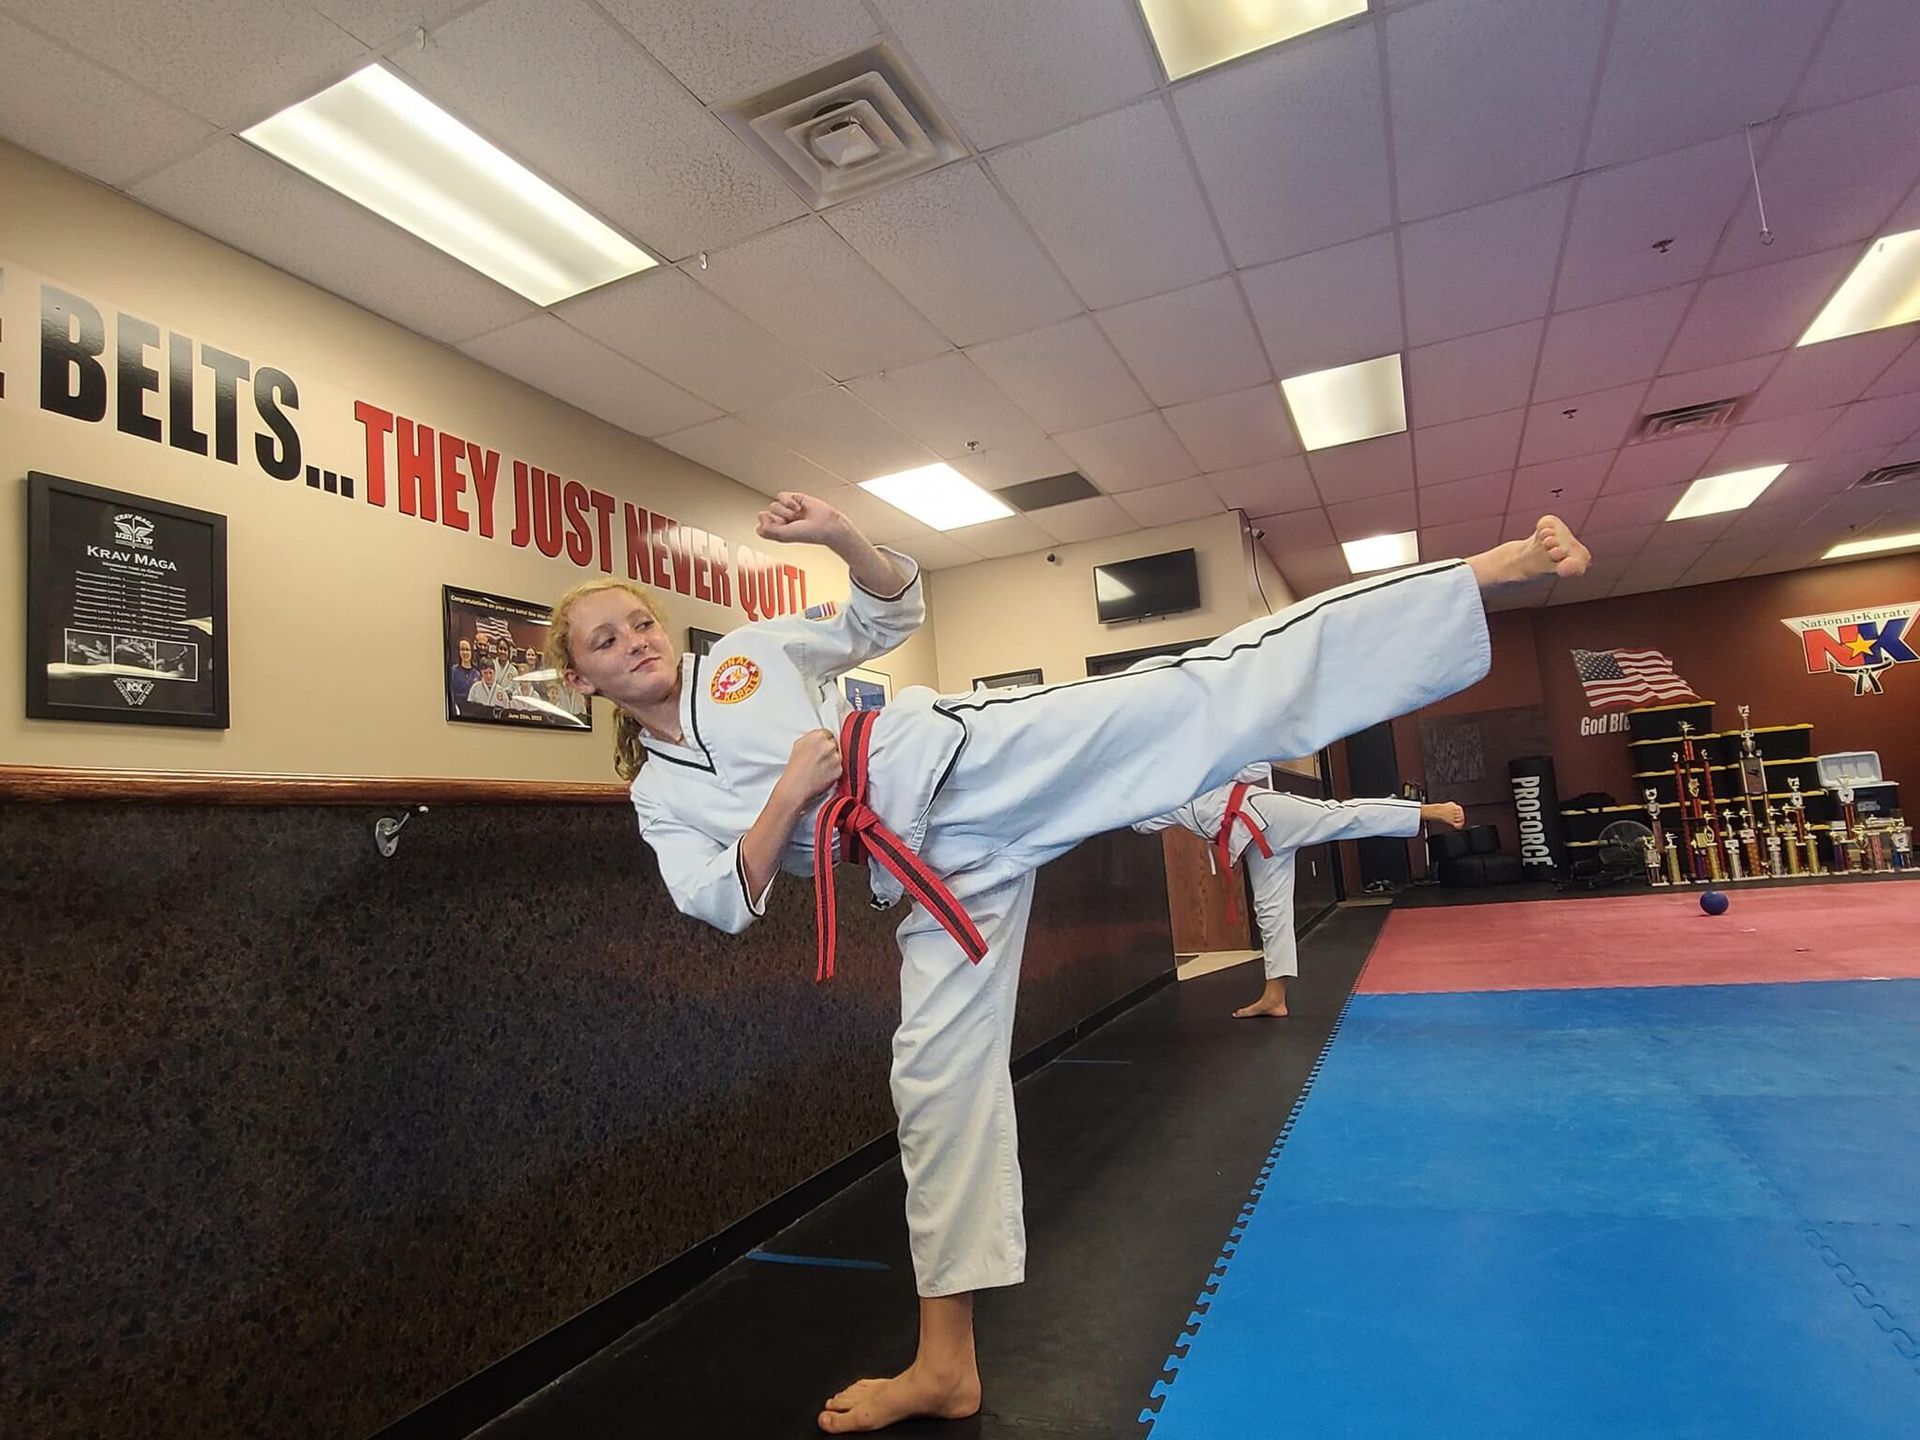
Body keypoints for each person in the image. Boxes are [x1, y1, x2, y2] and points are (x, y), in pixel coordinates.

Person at [547, 491, 1589, 1435]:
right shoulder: (661, 796)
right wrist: (787, 797)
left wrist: (837, 537)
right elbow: (724, 899)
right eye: (605, 640)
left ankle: (1476, 578)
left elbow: (887, 615)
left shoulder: (748, 654)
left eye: (639, 620)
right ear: (581, 678)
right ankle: (945, 1365)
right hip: (925, 875)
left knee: (1191, 692)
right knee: (934, 1089)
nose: (635, 641)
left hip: (960, 764)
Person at [1135, 774, 1465, 1017]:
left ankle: (1425, 810)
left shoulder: (1206, 759)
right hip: (1251, 843)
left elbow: (1251, 766)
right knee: (1270, 912)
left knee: (1339, 816)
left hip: (1265, 810)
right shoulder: (1163, 801)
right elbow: (1138, 823)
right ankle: (1274, 997)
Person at [449, 638, 480, 703]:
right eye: (462, 649)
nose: (465, 652)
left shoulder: (477, 674)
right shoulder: (453, 671)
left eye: (467, 650)